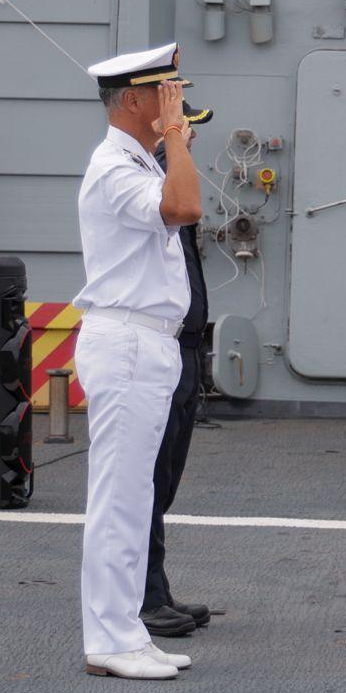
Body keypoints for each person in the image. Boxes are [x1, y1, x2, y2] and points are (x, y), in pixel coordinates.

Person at [74, 43, 202, 680]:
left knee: (133, 494)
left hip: (147, 342)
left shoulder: (135, 161)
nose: (173, 106)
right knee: (119, 498)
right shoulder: (114, 167)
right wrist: (176, 138)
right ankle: (108, 639)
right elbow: (185, 208)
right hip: (125, 342)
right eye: (165, 95)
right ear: (133, 100)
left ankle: (126, 629)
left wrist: (171, 139)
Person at [141, 101, 215, 639]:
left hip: (186, 348)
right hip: (160, 349)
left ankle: (156, 589)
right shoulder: (151, 185)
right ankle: (143, 597)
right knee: (146, 481)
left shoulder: (174, 179)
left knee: (164, 481)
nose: (192, 138)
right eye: (186, 128)